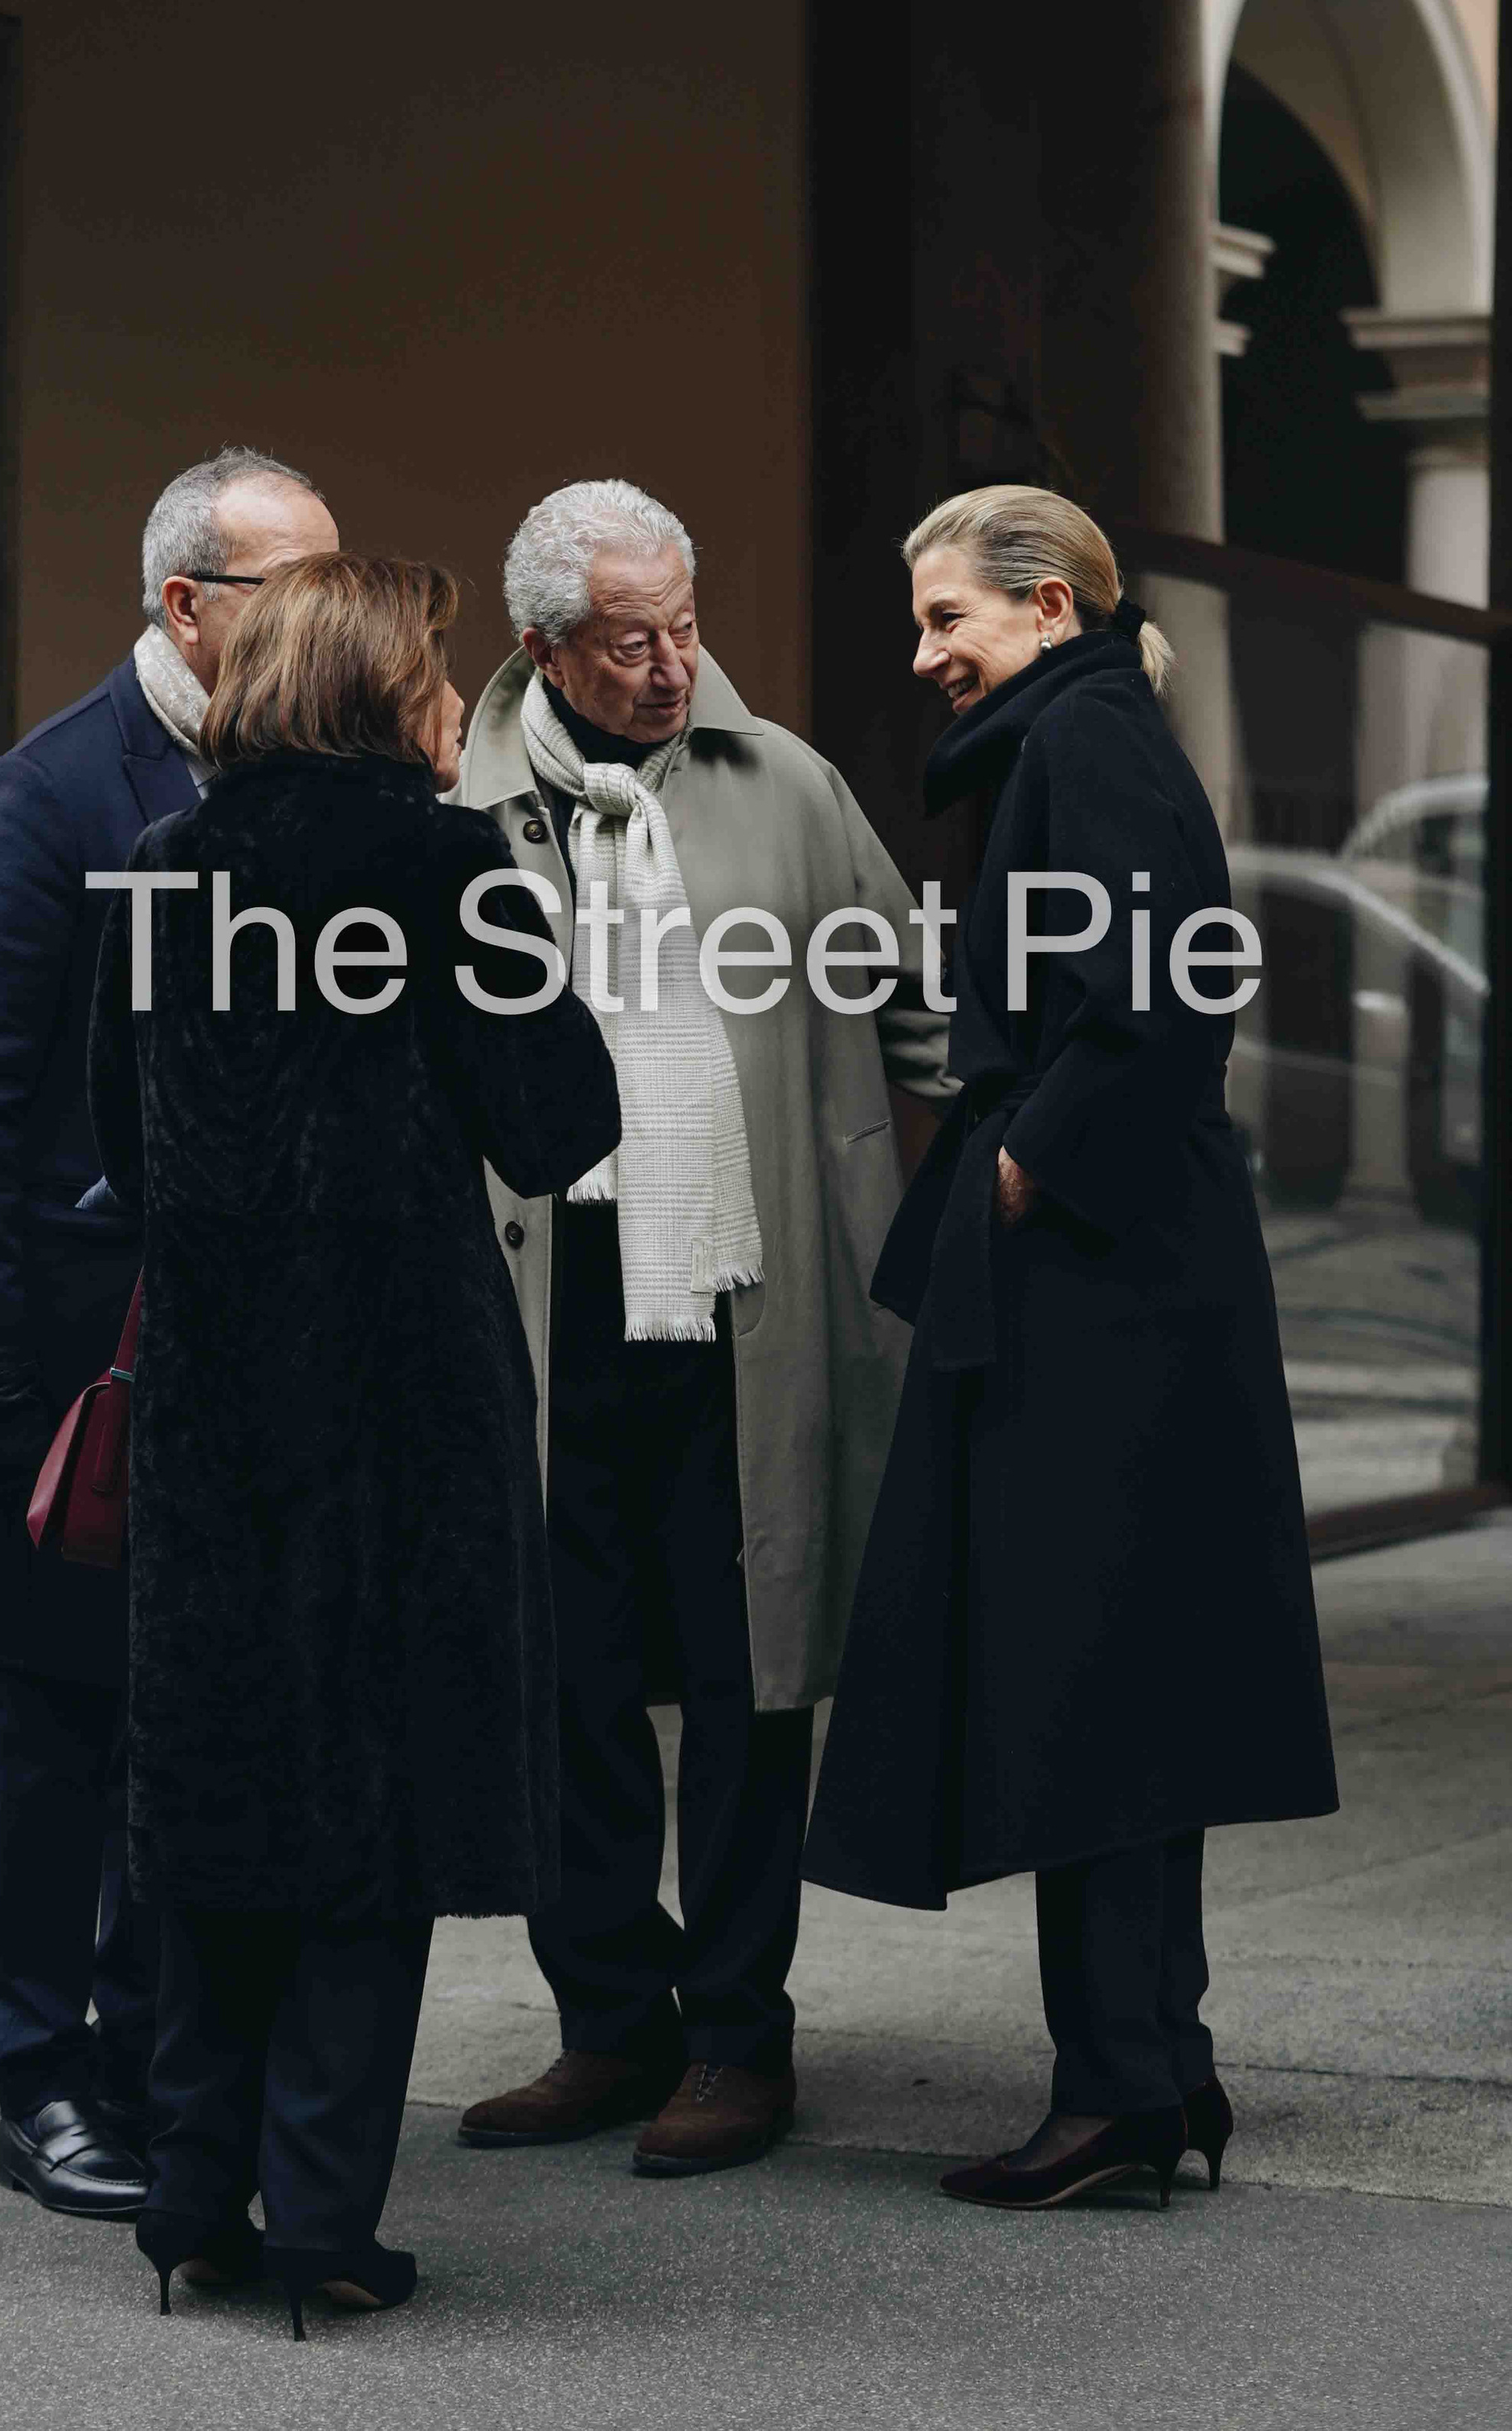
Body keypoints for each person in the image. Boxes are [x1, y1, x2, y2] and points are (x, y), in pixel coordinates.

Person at [86, 552, 619, 2333]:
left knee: (221, 1793)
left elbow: (115, 1133)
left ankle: (190, 2201)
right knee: (371, 1812)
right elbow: (556, 1126)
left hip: (213, 1405)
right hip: (404, 1407)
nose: (456, 702)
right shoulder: (444, 867)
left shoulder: (158, 869)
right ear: (383, 693)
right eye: (436, 673)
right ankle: (322, 2223)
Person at [803, 482, 1338, 2212]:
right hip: (1131, 1275)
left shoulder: (1084, 743)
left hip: (1097, 1285)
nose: (923, 655)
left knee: (1085, 1682)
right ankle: (1152, 2069)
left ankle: (1116, 2092)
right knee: (1120, 1680)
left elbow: (1157, 1005)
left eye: (945, 618)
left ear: (1046, 609)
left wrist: (1020, 1175)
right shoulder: (1092, 733)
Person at [454, 479, 954, 2179]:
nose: (672, 666)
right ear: (544, 650)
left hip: (745, 1294)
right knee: (568, 1676)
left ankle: (740, 2035)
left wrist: (1035, 1147)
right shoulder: (459, 804)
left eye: (684, 626)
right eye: (629, 643)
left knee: (749, 1671)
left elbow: (916, 1001)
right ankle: (610, 2021)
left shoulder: (786, 785)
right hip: (546, 1301)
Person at [0, 446, 337, 2218]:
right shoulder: (47, 796)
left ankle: (159, 2054)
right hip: (76, 1362)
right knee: (60, 1731)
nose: (327, 617)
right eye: (294, 588)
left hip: (242, 1360)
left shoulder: (297, 779)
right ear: (187, 604)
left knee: (199, 1722)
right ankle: (38, 2075)